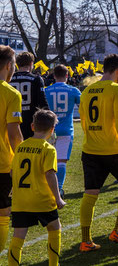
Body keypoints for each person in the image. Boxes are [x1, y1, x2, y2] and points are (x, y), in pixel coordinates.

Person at [78, 54, 118, 252]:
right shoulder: (117, 89)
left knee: (90, 194)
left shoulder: (86, 91)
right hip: (113, 150)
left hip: (90, 149)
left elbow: (84, 121)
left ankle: (86, 241)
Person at [8, 109, 65, 266]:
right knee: (54, 227)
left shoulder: (20, 147)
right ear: (52, 129)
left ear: (32, 126)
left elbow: (13, 173)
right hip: (42, 200)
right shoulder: (48, 149)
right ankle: (53, 264)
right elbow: (50, 175)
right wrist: (58, 198)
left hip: (21, 200)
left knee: (18, 235)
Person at [45, 64, 81, 198]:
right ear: (67, 75)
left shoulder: (47, 90)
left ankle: (46, 187)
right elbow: (83, 107)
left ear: (54, 76)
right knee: (61, 161)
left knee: (46, 161)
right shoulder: (73, 90)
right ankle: (58, 189)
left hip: (48, 129)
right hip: (66, 130)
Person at [0, 46, 23, 252]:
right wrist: (24, 160)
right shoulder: (10, 93)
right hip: (2, 163)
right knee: (3, 212)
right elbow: (14, 133)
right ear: (9, 65)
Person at [10, 52, 48, 139]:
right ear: (31, 64)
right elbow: (42, 103)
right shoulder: (36, 79)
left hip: (12, 121)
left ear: (17, 64)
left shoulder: (9, 79)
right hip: (30, 122)